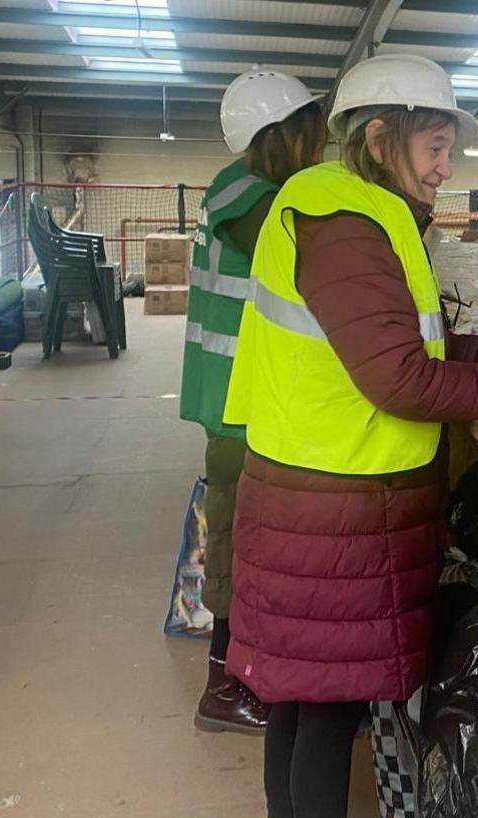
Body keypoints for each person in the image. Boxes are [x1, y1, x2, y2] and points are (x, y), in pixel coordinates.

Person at [221, 54, 478, 818]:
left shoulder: (352, 209)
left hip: (316, 486)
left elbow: (412, 346)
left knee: (300, 689)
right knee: (327, 701)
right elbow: (403, 381)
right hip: (335, 500)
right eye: (434, 144)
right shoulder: (347, 225)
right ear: (380, 137)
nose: (444, 167)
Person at [181, 68, 326, 737]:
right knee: (238, 538)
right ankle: (224, 685)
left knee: (255, 539)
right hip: (237, 404)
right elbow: (305, 247)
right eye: (311, 131)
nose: (320, 144)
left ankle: (247, 671)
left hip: (253, 398)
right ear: (283, 135)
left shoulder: (261, 189)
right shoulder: (242, 192)